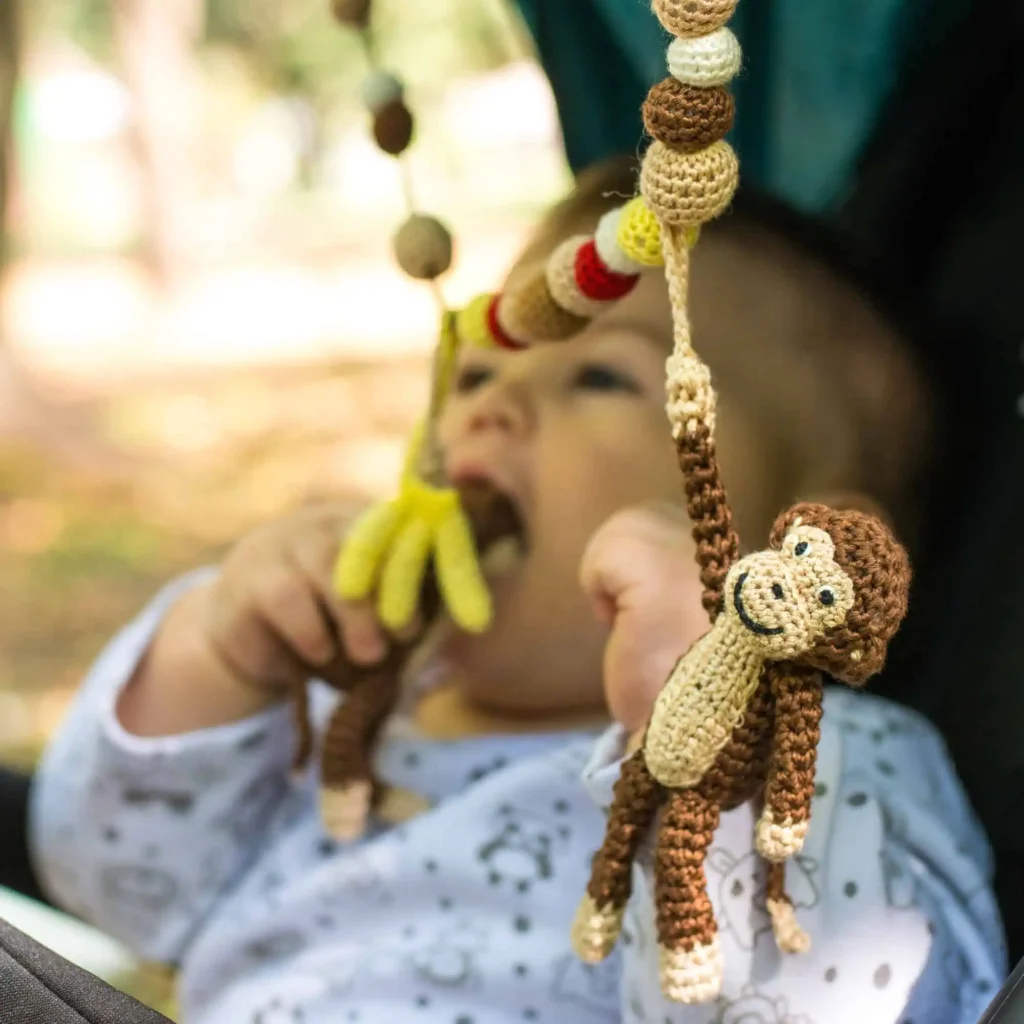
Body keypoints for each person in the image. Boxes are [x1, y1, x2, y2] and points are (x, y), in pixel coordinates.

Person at [26, 156, 1005, 1024]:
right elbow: (116, 886)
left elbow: (866, 995)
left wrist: (709, 744)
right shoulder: (342, 700)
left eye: (600, 380)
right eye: (478, 368)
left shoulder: (825, 762)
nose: (490, 404)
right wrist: (215, 654)